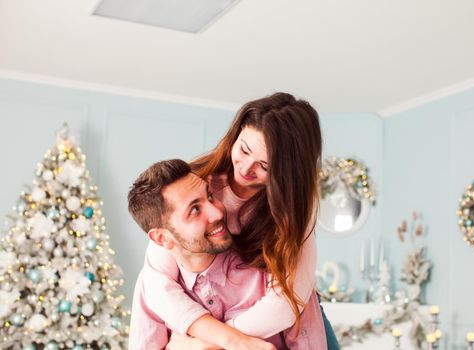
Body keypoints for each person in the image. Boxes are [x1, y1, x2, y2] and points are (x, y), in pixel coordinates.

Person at [135, 92, 339, 349]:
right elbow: (156, 284)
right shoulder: (195, 181)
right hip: (211, 322)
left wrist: (207, 343)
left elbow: (287, 304)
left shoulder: (294, 209)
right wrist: (220, 337)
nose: (245, 169)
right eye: (243, 149)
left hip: (286, 324)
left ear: (287, 173)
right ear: (237, 133)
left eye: (264, 166)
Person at [128, 159, 327, 349]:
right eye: (195, 210)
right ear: (162, 239)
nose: (217, 213)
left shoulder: (274, 267)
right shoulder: (154, 289)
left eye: (210, 196)